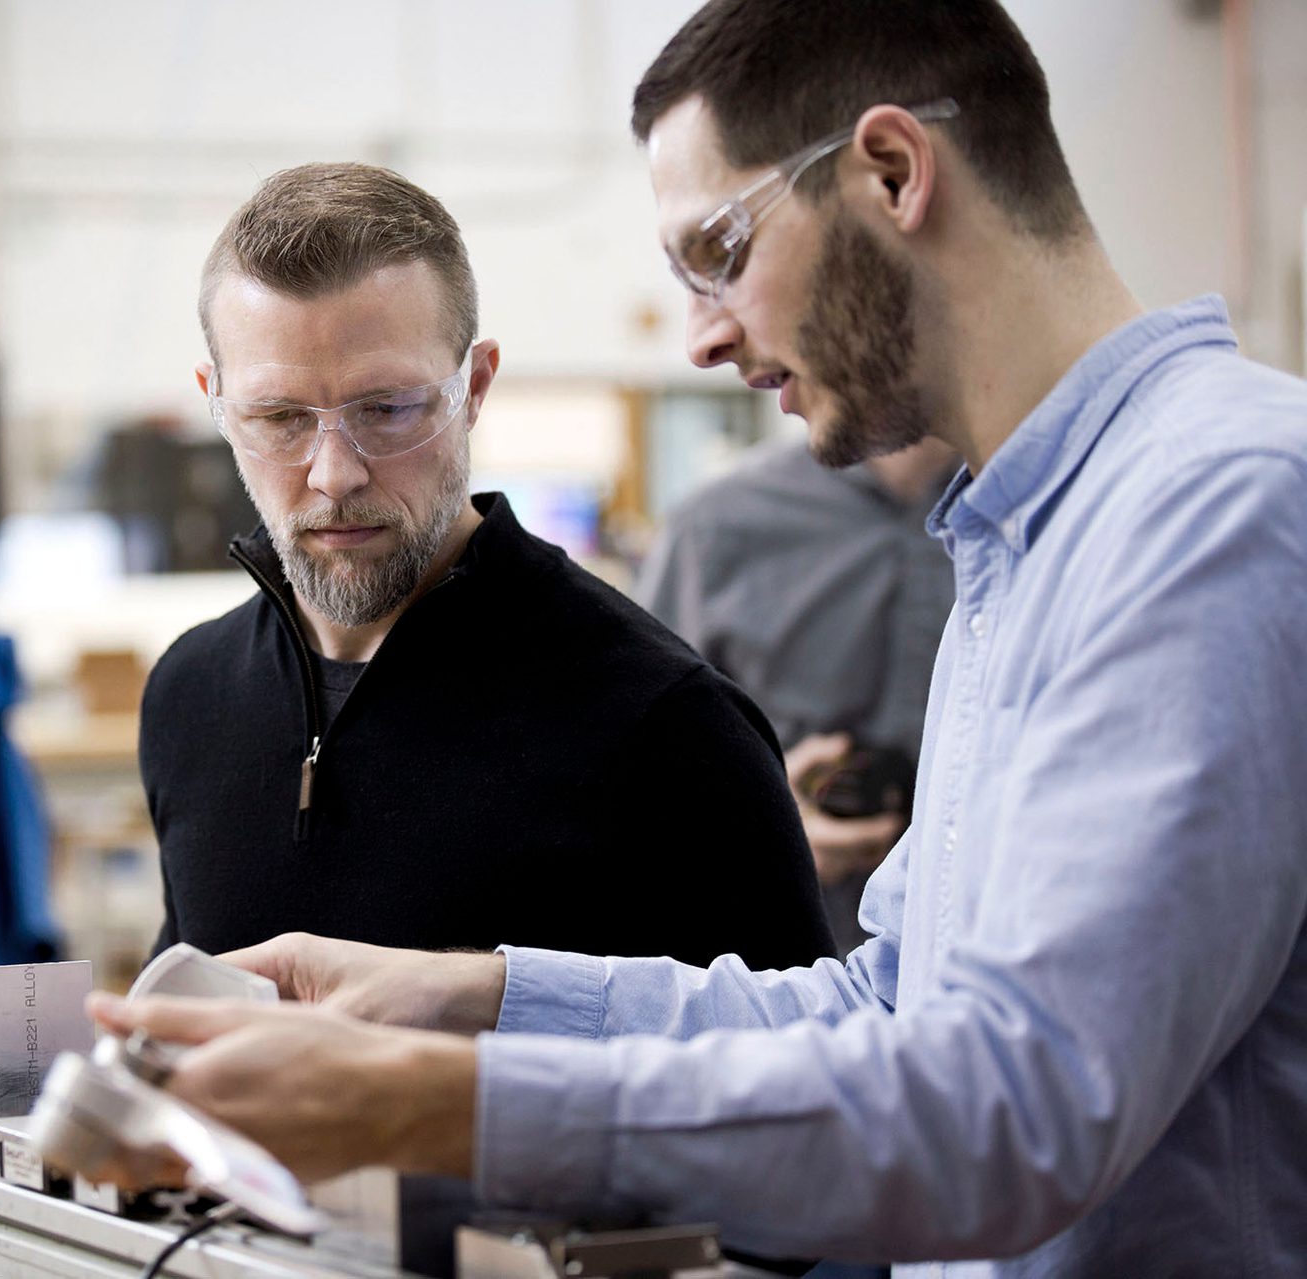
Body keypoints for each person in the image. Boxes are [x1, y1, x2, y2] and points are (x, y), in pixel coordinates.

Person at [89, 3, 1307, 1273]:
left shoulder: (1217, 509)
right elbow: (881, 1008)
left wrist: (445, 1102)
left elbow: (1009, 1110)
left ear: (893, 171)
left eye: (719, 249)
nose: (703, 335)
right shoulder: (1021, 539)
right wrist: (478, 999)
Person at [138, 162, 835, 1274]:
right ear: (217, 402)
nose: (333, 474)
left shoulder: (661, 723)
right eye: (278, 417)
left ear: (475, 385)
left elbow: (816, 1149)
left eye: (387, 408)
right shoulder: (189, 695)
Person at [638, 436, 958, 954]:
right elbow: (641, 774)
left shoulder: (1053, 510)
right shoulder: (718, 525)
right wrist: (759, 830)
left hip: (996, 947)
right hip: (780, 955)